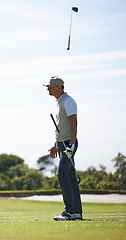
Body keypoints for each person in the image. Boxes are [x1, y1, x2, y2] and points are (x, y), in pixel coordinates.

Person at [44, 76, 83, 221]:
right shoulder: (60, 102)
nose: (48, 89)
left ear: (59, 87)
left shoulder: (68, 101)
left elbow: (74, 123)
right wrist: (56, 145)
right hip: (63, 144)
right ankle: (77, 212)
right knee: (72, 178)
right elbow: (63, 126)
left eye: (50, 86)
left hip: (68, 144)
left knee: (62, 175)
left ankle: (69, 212)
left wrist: (71, 145)